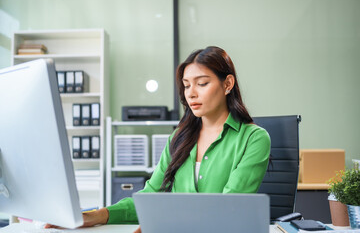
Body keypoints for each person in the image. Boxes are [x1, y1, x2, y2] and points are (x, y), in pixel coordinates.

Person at [46, 46, 271, 232]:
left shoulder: (254, 138)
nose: (190, 93)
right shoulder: (179, 138)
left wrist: (161, 223)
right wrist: (98, 215)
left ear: (227, 84)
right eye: (186, 85)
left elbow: (228, 208)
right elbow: (151, 195)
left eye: (202, 83)